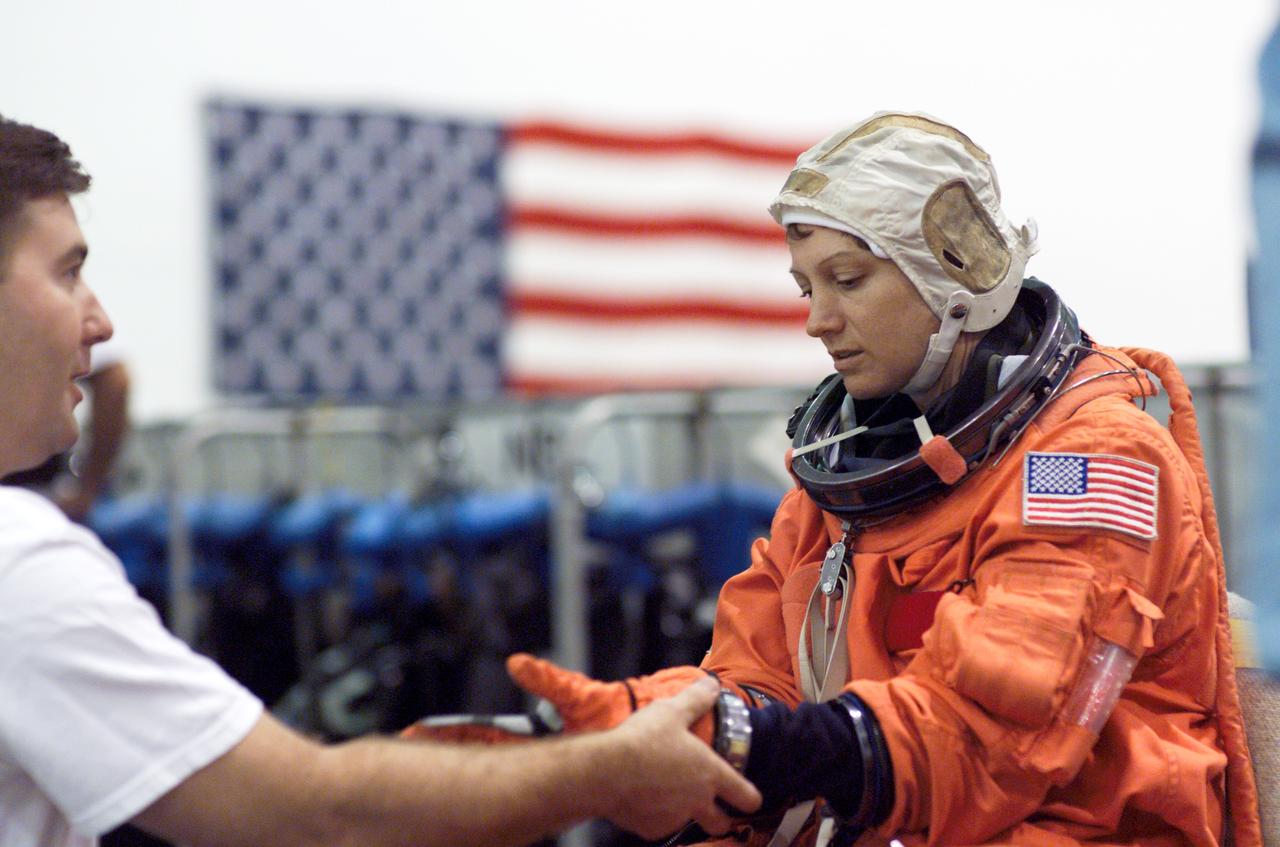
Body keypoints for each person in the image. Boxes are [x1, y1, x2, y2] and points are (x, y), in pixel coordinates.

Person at [434, 113, 1263, 846]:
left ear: (955, 272)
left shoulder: (1090, 460)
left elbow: (995, 736)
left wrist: (760, 745)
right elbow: (753, 678)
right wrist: (627, 728)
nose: (816, 320)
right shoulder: (849, 480)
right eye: (806, 287)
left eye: (848, 280)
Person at [0, 114, 761, 847]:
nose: (98, 321)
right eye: (68, 271)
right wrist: (612, 769)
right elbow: (315, 816)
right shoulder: (20, 565)